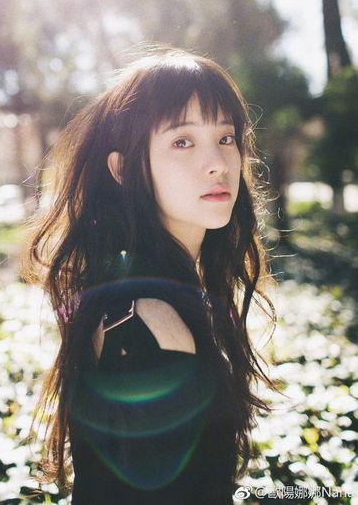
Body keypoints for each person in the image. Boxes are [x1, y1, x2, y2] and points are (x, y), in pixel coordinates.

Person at [22, 45, 279, 504]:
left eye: (226, 137)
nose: (218, 163)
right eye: (182, 141)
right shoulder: (147, 321)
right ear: (123, 169)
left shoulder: (156, 292)